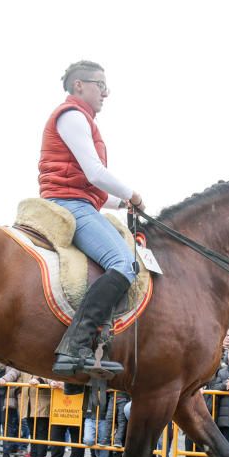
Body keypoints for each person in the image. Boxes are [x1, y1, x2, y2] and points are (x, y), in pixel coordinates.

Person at [41, 60, 145, 379]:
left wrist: (121, 203)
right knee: (124, 263)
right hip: (70, 204)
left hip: (78, 200)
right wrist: (134, 194)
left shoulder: (81, 118)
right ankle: (76, 346)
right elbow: (94, 173)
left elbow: (90, 186)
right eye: (101, 86)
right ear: (79, 86)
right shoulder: (73, 115)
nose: (105, 93)